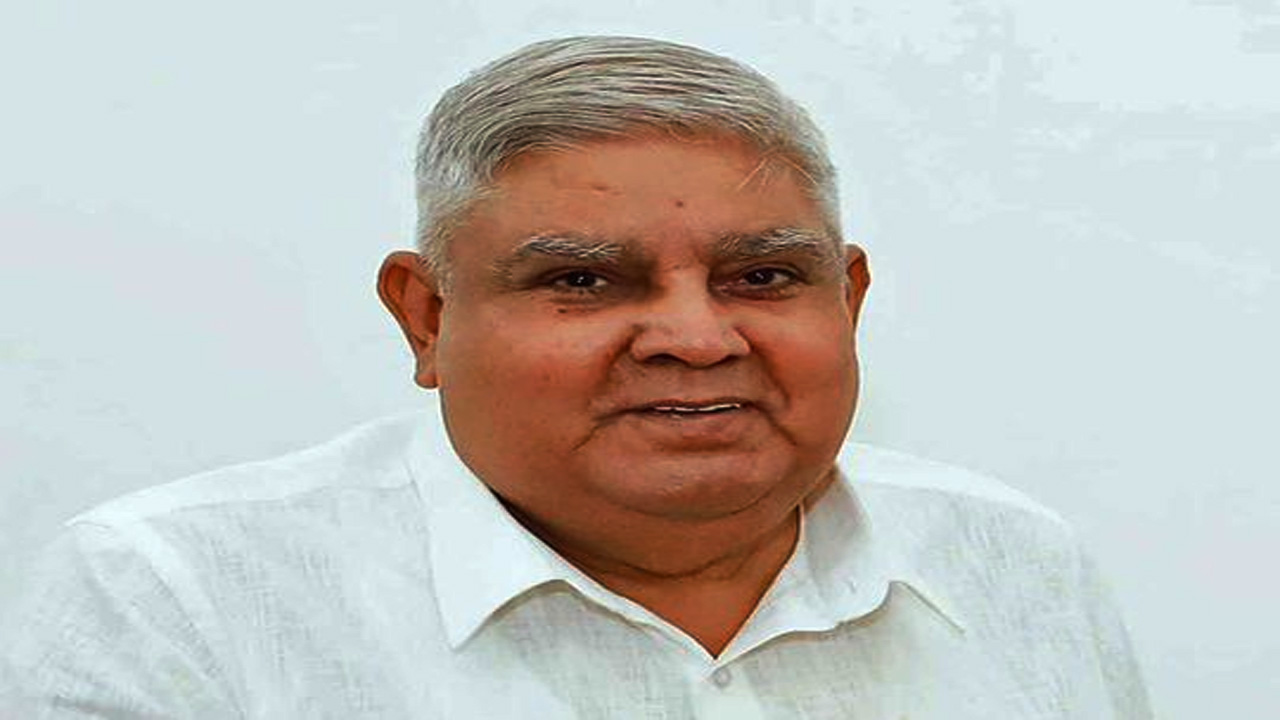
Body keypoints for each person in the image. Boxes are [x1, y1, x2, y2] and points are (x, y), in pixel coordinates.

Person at [0, 36, 1150, 718]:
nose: (694, 337)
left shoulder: (1010, 563)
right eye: (585, 281)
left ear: (845, 302)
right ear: (426, 317)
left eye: (760, 276)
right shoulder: (180, 595)